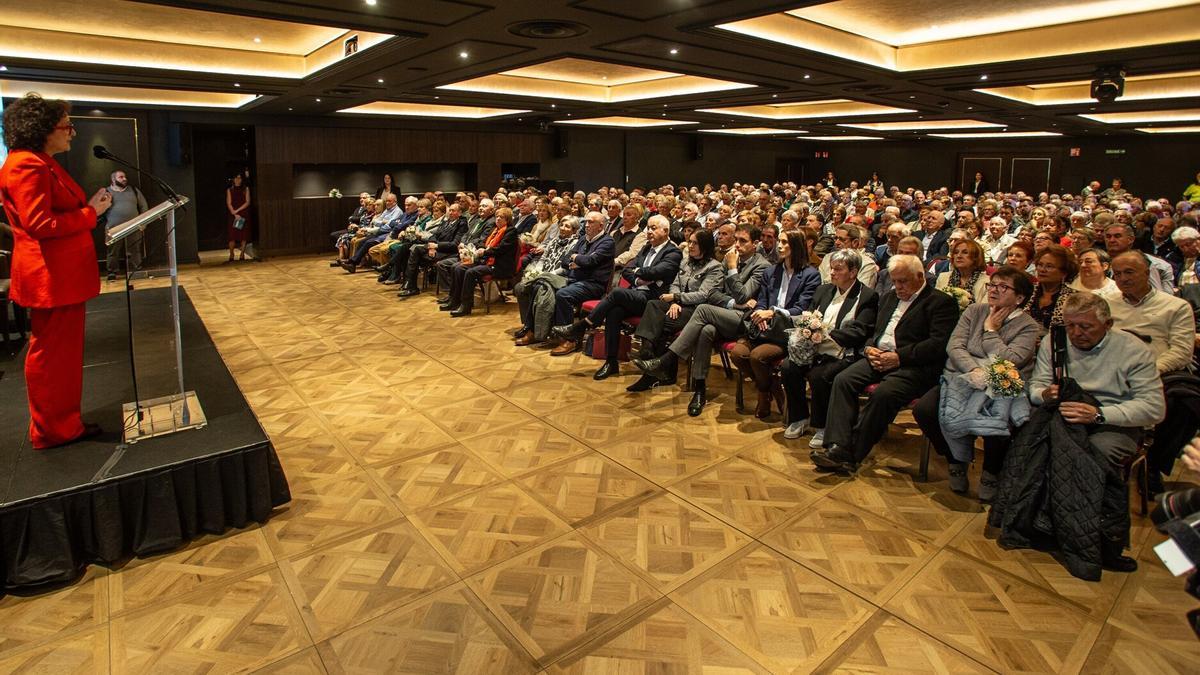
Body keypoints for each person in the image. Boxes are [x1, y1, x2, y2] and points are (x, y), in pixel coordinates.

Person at [998, 292, 1164, 578]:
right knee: (1033, 449)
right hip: (1064, 414)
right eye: (1072, 325)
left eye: (1086, 327)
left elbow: (1153, 408)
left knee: (1086, 458)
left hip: (1112, 421)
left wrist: (1098, 414)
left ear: (1108, 324)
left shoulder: (1133, 350)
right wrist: (1044, 394)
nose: (1076, 333)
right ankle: (1041, 525)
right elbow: (1036, 386)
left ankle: (1091, 539)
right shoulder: (1056, 341)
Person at [0, 93, 112, 448]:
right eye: (67, 126)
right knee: (52, 355)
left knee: (62, 355)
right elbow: (40, 224)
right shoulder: (25, 165)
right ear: (43, 130)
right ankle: (53, 429)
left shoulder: (40, 161)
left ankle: (65, 422)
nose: (72, 133)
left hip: (60, 275)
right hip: (50, 276)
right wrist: (90, 213)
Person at [811, 254, 959, 474]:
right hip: (878, 357)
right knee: (843, 380)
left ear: (920, 277)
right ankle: (836, 445)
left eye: (903, 281)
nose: (898, 286)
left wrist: (899, 357)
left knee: (883, 394)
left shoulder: (940, 302)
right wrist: (870, 348)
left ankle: (851, 454)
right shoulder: (889, 297)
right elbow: (875, 332)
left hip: (912, 366)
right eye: (894, 280)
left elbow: (937, 345)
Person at [912, 266, 1040, 501]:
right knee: (925, 410)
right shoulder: (974, 311)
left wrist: (991, 332)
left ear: (1020, 297)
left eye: (1003, 287)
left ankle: (991, 473)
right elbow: (955, 346)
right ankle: (956, 459)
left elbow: (1011, 360)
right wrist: (973, 369)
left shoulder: (1028, 326)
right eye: (992, 284)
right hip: (961, 378)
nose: (994, 290)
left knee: (998, 419)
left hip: (1000, 385)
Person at [1106, 251, 1197, 493]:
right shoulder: (1106, 304)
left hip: (1159, 370)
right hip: (1110, 368)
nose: (1123, 278)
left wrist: (1147, 371)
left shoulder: (1175, 306)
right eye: (1117, 274)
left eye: (1129, 272)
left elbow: (1181, 351)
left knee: (1185, 402)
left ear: (1147, 273)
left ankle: (1154, 464)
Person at [552, 215, 681, 379]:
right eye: (648, 227)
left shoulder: (673, 252)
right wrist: (638, 276)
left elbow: (658, 271)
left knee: (617, 292)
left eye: (653, 228)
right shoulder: (646, 248)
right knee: (614, 312)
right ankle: (611, 363)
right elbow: (628, 269)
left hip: (653, 300)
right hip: (636, 294)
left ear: (666, 230)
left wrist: (639, 273)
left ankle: (584, 325)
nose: (649, 231)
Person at [780, 249, 879, 440]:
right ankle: (799, 417)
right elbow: (808, 315)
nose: (832, 273)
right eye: (831, 268)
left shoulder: (866, 296)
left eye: (838, 269)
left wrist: (825, 333)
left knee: (820, 376)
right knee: (788, 367)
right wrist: (808, 330)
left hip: (843, 351)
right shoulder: (823, 290)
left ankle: (822, 425)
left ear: (853, 272)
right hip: (815, 348)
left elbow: (860, 330)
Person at [729, 231, 821, 418]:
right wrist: (760, 313)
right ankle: (772, 388)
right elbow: (762, 300)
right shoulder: (772, 271)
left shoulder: (811, 274)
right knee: (738, 354)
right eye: (779, 241)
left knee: (757, 357)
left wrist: (772, 313)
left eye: (785, 242)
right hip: (763, 326)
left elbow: (802, 308)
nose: (779, 245)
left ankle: (764, 395)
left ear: (796, 246)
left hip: (786, 329)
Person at [548, 211, 615, 356]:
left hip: (594, 284)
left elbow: (591, 261)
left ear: (601, 225)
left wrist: (577, 258)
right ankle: (539, 330)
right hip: (575, 279)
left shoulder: (607, 242)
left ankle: (570, 339)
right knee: (542, 286)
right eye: (586, 222)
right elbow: (565, 260)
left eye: (591, 222)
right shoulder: (583, 238)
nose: (587, 225)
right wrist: (579, 260)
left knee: (563, 295)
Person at [513, 217, 580, 346]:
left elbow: (565, 267)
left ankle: (534, 330)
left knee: (538, 288)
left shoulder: (575, 244)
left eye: (567, 226)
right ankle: (528, 324)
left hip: (560, 277)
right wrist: (537, 271)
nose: (563, 228)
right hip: (544, 274)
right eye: (562, 225)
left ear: (574, 230)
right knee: (519, 288)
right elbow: (543, 259)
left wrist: (548, 274)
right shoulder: (554, 240)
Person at [440, 206, 518, 317]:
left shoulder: (511, 231)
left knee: (470, 272)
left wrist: (485, 252)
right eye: (497, 216)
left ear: (508, 219)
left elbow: (501, 249)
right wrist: (482, 248)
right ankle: (454, 300)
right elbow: (482, 242)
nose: (498, 219)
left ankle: (466, 305)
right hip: (486, 260)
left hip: (499, 265)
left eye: (502, 217)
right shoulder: (495, 230)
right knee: (457, 267)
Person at [102, 170, 148, 281]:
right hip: (114, 228)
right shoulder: (106, 192)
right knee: (113, 251)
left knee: (135, 249)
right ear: (113, 179)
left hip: (134, 226)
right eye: (121, 177)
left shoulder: (133, 190)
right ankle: (112, 272)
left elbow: (143, 206)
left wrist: (143, 223)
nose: (124, 179)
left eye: (124, 177)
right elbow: (100, 209)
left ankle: (136, 270)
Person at [1022, 244, 1077, 335]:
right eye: (1040, 265)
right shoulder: (1026, 290)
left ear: (1064, 272)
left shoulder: (1073, 299)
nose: (1042, 270)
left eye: (1049, 266)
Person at [934, 239, 989, 305]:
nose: (959, 256)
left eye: (965, 252)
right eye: (956, 252)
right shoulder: (943, 277)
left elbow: (984, 310)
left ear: (976, 257)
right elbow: (935, 304)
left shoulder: (987, 282)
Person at [226, 174, 251, 262]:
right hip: (233, 215)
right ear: (233, 179)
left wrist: (238, 211)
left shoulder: (246, 189)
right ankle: (231, 254)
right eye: (236, 178)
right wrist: (234, 212)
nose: (238, 180)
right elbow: (229, 202)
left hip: (243, 213)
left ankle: (242, 254)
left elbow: (247, 202)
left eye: (239, 178)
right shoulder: (230, 190)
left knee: (243, 235)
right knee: (232, 236)